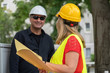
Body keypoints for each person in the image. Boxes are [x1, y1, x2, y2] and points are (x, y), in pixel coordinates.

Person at [41, 3, 87, 73]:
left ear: (61, 22)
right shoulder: (67, 41)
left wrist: (45, 65)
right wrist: (48, 68)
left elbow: (70, 68)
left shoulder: (72, 40)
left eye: (58, 19)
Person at [9, 5, 55, 73]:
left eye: (42, 18)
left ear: (44, 20)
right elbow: (14, 62)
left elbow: (52, 62)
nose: (38, 20)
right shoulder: (20, 36)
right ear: (30, 19)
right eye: (35, 17)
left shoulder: (48, 40)